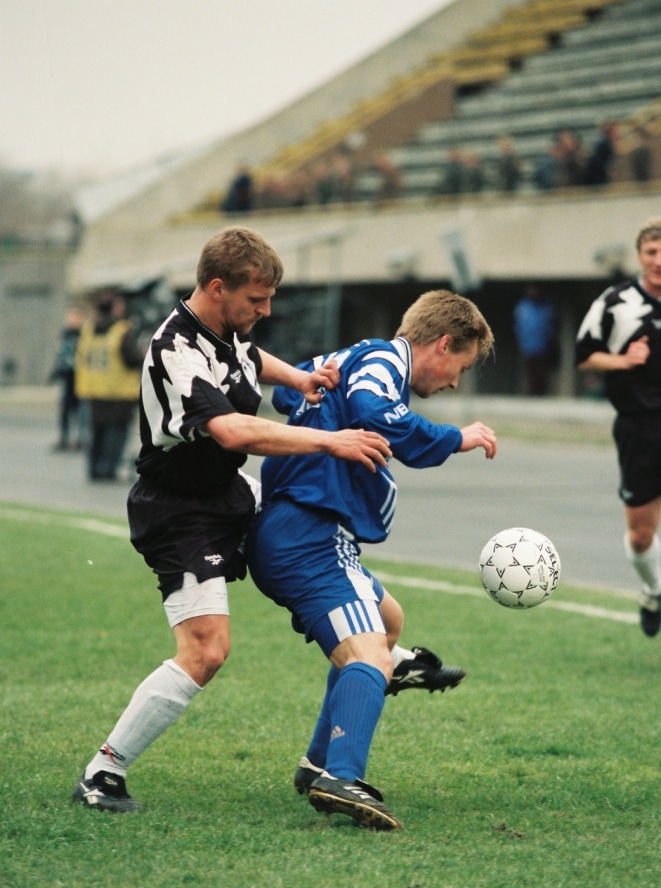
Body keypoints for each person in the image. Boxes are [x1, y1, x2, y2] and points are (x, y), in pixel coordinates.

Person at [72, 226, 391, 813]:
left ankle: (386, 653)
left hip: (226, 492)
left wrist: (296, 377)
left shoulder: (227, 329)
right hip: (180, 511)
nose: (265, 311)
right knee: (206, 649)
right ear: (217, 289)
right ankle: (102, 772)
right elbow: (233, 430)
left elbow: (248, 359)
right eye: (257, 300)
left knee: (328, 558)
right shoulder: (173, 351)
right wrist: (331, 442)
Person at [246, 290, 497, 831]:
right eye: (462, 366)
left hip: (304, 526)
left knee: (388, 622)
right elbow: (377, 413)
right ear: (443, 343)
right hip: (308, 531)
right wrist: (458, 437)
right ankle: (341, 775)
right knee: (369, 656)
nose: (455, 381)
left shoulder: (352, 356)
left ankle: (318, 761)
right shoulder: (385, 358)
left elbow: (295, 396)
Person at [576, 217, 661, 636]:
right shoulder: (615, 302)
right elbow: (584, 355)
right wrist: (623, 360)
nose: (659, 260)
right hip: (638, 427)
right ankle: (652, 590)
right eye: (652, 252)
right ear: (640, 255)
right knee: (642, 536)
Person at [74, 291, 144, 480]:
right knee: (116, 431)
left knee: (97, 431)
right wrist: (145, 354)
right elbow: (131, 358)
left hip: (94, 388)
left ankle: (94, 468)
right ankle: (108, 468)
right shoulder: (121, 330)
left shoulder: (89, 328)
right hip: (119, 390)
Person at [513, 284, 559, 396]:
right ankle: (531, 395)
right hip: (527, 347)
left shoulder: (546, 307)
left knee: (542, 374)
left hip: (543, 347)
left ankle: (542, 394)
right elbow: (518, 326)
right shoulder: (522, 307)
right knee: (530, 373)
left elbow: (551, 326)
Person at [49, 307, 83, 450]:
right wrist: (55, 372)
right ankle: (64, 437)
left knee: (79, 412)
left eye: (74, 318)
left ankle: (78, 439)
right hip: (67, 376)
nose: (71, 321)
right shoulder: (65, 335)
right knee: (65, 410)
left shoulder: (83, 335)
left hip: (80, 377)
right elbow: (61, 354)